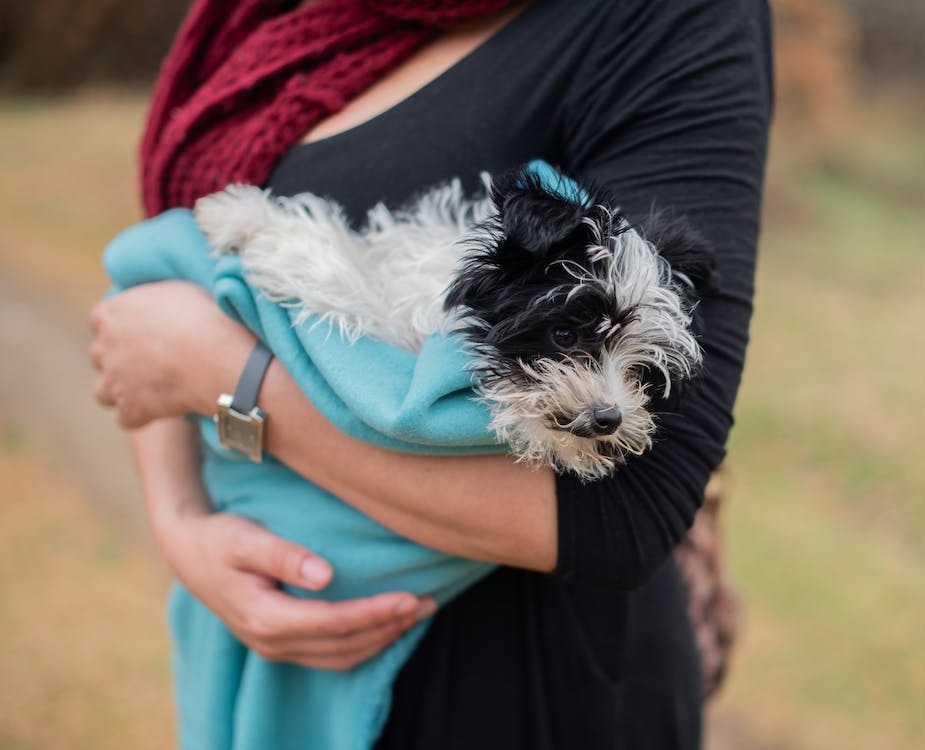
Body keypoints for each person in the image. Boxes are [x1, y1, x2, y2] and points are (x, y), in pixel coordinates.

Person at [88, 0, 773, 747]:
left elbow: (631, 509)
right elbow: (155, 314)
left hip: (524, 684)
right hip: (270, 638)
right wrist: (181, 521)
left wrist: (223, 376)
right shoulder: (261, 16)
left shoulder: (672, 18)